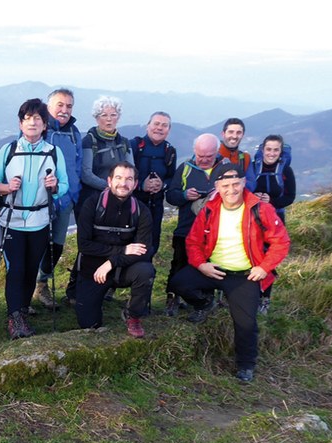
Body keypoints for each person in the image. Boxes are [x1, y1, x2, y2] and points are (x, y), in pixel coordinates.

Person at [170, 161, 290, 383]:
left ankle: (246, 365)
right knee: (179, 283)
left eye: (236, 184)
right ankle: (205, 304)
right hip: (213, 269)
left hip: (245, 275)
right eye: (225, 186)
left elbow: (281, 242)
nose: (231, 190)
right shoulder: (210, 209)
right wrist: (201, 265)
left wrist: (264, 268)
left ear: (244, 182)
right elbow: (193, 242)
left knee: (245, 323)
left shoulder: (259, 209)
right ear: (217, 186)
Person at [0, 98, 66, 339]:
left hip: (40, 219)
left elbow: (64, 185)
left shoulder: (53, 152)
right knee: (17, 268)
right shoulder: (9, 150)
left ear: (45, 125)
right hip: (12, 219)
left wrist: (54, 187)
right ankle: (15, 318)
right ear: (21, 124)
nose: (32, 122)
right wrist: (7, 187)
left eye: (38, 119)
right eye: (27, 118)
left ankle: (21, 309)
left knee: (31, 268)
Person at [74, 162, 154, 337]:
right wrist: (123, 250)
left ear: (135, 183)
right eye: (118, 178)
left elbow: (143, 251)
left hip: (124, 269)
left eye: (129, 179)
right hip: (93, 271)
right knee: (89, 324)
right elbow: (84, 245)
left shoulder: (141, 211)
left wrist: (112, 261)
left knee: (146, 271)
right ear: (109, 181)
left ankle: (132, 315)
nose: (123, 183)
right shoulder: (92, 204)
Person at [66, 95, 134, 303]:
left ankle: (106, 285)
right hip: (92, 202)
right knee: (88, 244)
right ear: (97, 117)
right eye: (104, 115)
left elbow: (131, 170)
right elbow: (86, 173)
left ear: (118, 117)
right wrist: (112, 188)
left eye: (113, 115)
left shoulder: (124, 142)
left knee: (113, 241)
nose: (109, 119)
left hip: (118, 202)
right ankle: (75, 288)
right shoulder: (90, 140)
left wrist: (120, 190)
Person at [32, 88, 82, 310]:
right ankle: (27, 290)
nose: (64, 110)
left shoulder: (73, 132)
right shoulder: (40, 128)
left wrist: (73, 193)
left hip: (66, 200)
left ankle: (41, 284)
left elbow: (77, 165)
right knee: (35, 246)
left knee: (57, 246)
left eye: (69, 106)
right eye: (60, 105)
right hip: (40, 201)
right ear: (49, 106)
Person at [164, 133, 220, 316]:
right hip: (186, 228)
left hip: (214, 232)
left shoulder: (225, 170)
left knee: (206, 268)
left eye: (208, 156)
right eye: (200, 155)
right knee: (179, 264)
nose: (203, 160)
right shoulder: (185, 168)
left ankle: (202, 303)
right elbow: (171, 195)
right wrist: (184, 195)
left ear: (217, 152)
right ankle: (172, 299)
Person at [246, 134, 295, 314]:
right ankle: (249, 295)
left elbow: (290, 197)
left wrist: (271, 201)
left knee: (269, 260)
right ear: (262, 149)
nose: (272, 153)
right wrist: (254, 198)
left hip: (274, 221)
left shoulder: (285, 171)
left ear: (281, 152)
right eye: (268, 149)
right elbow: (244, 190)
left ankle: (265, 299)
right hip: (253, 219)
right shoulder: (252, 167)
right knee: (252, 256)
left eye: (276, 150)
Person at [131, 111, 177, 256]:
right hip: (133, 204)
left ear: (168, 130)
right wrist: (140, 186)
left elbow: (171, 178)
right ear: (147, 126)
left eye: (164, 125)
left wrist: (161, 185)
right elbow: (122, 175)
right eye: (156, 124)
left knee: (151, 243)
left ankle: (146, 274)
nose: (159, 128)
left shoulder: (170, 151)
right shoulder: (134, 146)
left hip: (155, 206)